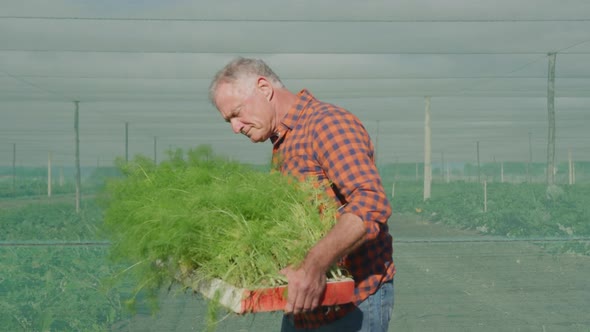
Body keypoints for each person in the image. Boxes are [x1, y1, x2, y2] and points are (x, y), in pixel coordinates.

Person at [208, 57, 395, 332]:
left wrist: (314, 264)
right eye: (229, 121)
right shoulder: (284, 141)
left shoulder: (326, 124)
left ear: (264, 88)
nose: (236, 127)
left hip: (352, 305)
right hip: (306, 305)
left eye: (236, 113)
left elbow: (370, 203)